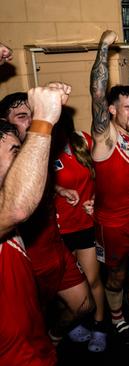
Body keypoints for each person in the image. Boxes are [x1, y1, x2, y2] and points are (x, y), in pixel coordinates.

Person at [0, 82, 71, 366]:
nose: (22, 161)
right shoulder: (8, 205)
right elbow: (16, 207)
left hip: (35, 342)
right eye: (15, 152)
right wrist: (42, 121)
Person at [90, 30, 129, 344]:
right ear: (112, 110)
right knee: (115, 273)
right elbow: (98, 94)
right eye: (128, 108)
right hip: (113, 225)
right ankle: (116, 316)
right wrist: (104, 48)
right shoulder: (105, 138)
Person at [52, 111, 107, 352]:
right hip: (58, 229)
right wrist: (59, 189)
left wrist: (96, 198)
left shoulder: (82, 141)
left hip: (85, 225)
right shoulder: (41, 149)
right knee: (64, 284)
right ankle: (73, 321)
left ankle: (100, 326)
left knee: (93, 279)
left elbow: (104, 176)